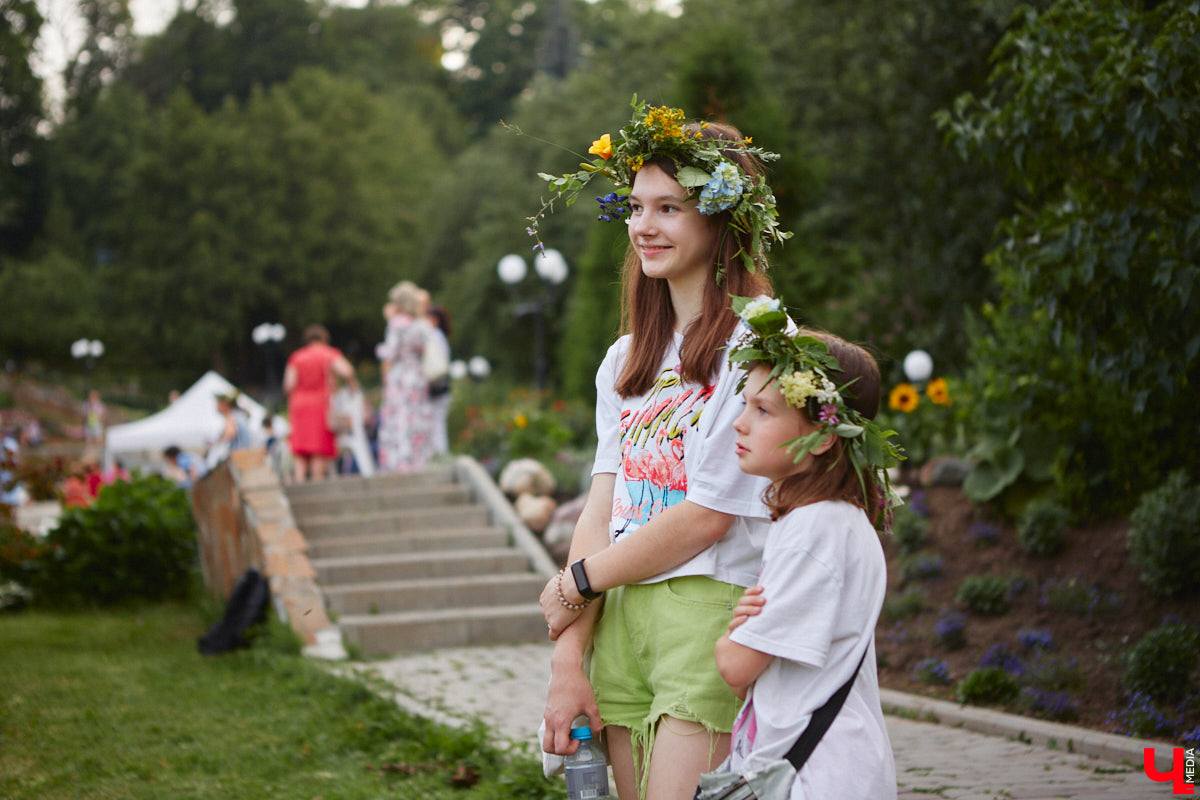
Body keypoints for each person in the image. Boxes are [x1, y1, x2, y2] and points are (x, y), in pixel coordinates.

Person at [534, 100, 790, 800]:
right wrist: (569, 656)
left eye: (669, 208)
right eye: (636, 208)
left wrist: (576, 583)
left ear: (722, 218)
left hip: (706, 609)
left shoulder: (757, 346)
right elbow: (603, 506)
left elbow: (708, 515)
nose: (643, 227)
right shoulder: (625, 360)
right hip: (618, 613)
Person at [711, 309, 902, 799]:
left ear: (823, 436)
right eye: (745, 404)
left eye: (763, 411)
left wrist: (731, 638)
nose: (739, 424)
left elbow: (736, 669)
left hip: (819, 777)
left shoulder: (815, 528)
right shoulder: (828, 521)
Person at [283, 324, 359, 482]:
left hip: (298, 405)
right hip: (320, 404)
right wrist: (350, 386)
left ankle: (300, 483)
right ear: (324, 338)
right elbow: (347, 371)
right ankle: (317, 483)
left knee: (301, 448)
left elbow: (289, 384)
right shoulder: (328, 353)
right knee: (318, 448)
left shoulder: (297, 357)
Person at [376, 281, 435, 473]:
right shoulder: (421, 325)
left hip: (399, 378)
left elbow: (390, 353)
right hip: (417, 377)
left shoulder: (397, 324)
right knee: (415, 419)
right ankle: (418, 462)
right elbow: (424, 351)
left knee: (400, 419)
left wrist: (380, 350)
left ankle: (400, 463)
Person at [425, 304, 453, 456]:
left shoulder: (434, 336)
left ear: (434, 320)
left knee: (436, 423)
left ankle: (440, 454)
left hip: (436, 385)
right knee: (438, 422)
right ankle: (441, 454)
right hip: (441, 385)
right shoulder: (440, 336)